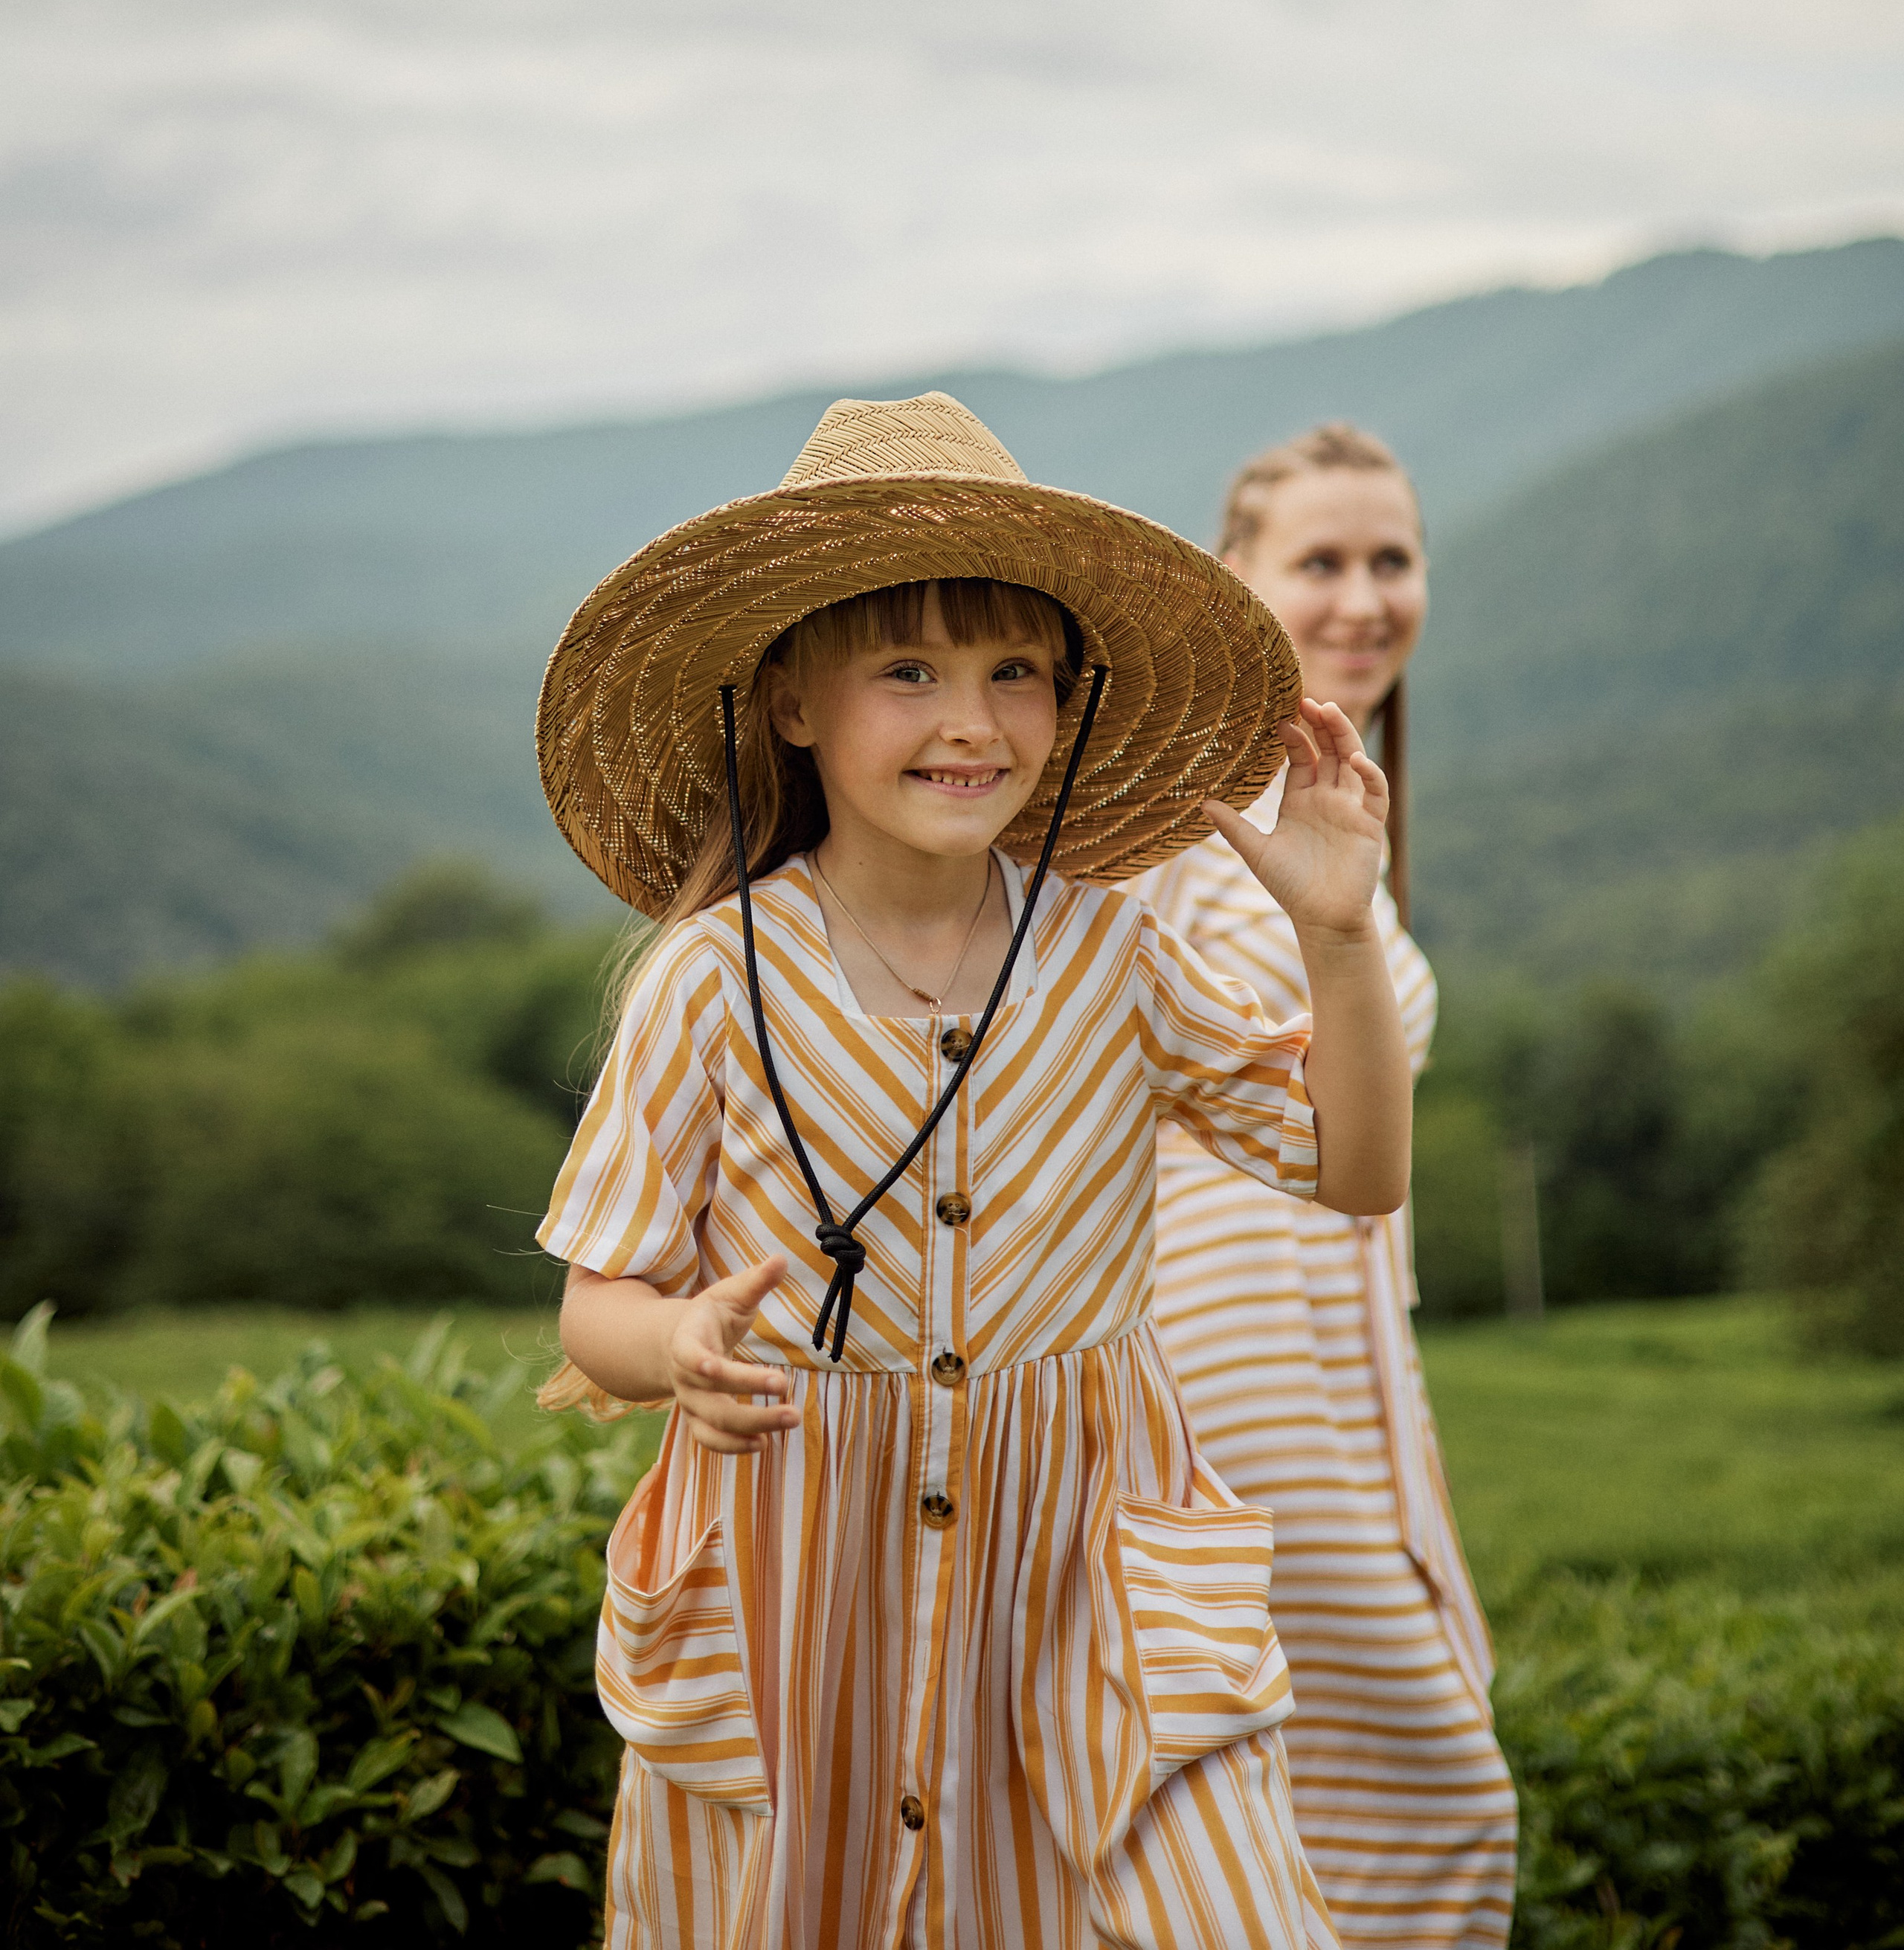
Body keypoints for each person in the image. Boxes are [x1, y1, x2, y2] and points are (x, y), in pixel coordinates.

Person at [530, 392, 1416, 1950]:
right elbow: (595, 1303)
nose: (972, 720)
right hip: (798, 1588)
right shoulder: (708, 982)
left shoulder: (1109, 948)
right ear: (794, 700)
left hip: (1092, 1586)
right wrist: (673, 1345)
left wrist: (1334, 933)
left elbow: (1353, 1174)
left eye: (1016, 672)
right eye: (910, 670)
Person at [1142, 424, 1518, 1950]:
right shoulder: (1166, 814)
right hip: (1229, 1367)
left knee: (1366, 1798)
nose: (1362, 599)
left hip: (1345, 1351)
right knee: (1418, 1796)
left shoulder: (1328, 798)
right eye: (1318, 562)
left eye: (1388, 559)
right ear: (1233, 580)